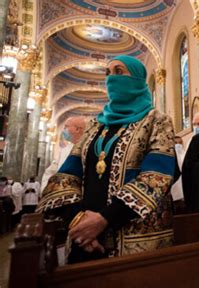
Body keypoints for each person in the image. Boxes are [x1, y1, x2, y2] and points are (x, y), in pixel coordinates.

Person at [36, 55, 176, 264]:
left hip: (134, 239)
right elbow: (65, 177)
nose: (111, 78)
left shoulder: (157, 121)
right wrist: (79, 221)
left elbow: (156, 177)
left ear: (137, 78)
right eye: (108, 73)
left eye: (119, 72)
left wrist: (104, 219)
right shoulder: (94, 126)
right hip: (85, 237)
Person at [41, 116, 87, 193]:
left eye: (66, 126)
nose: (63, 130)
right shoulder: (64, 150)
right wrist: (46, 191)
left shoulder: (87, 147)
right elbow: (51, 172)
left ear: (77, 129)